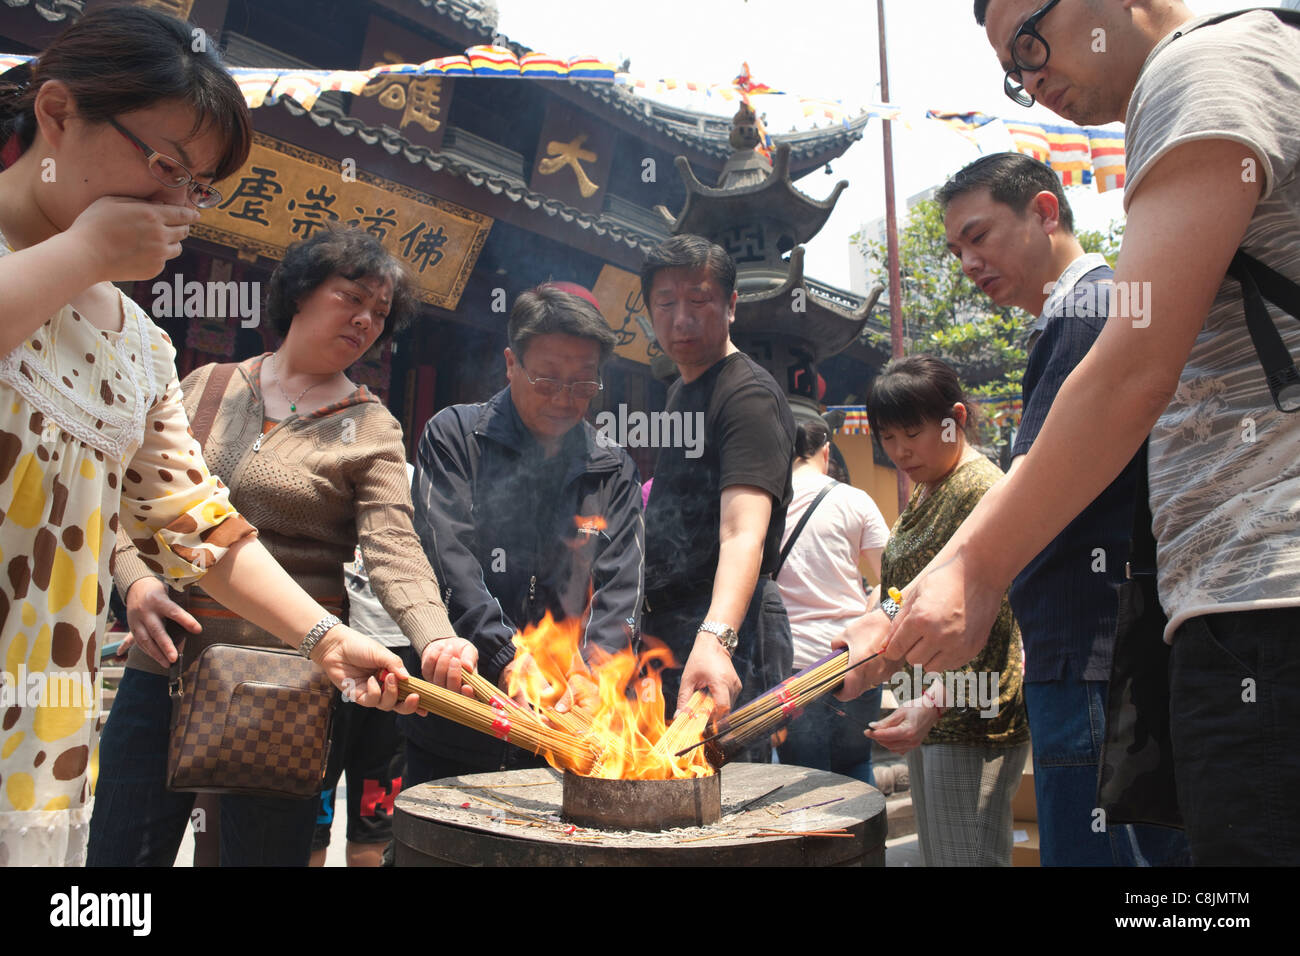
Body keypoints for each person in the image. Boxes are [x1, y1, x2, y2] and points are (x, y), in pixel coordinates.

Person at [851, 0, 1300, 866]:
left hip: (1265, 601)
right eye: (1010, 69)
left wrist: (972, 575)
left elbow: (1130, 374)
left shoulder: (1201, 69)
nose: (1029, 75)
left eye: (1030, 38)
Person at [0, 6, 415, 868]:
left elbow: (193, 523)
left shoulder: (140, 346)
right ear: (55, 114)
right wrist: (78, 254)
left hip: (42, 732)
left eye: (199, 186)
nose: (178, 204)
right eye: (165, 165)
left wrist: (324, 639)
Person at [88, 227, 466, 866]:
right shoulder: (206, 383)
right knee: (119, 862)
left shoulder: (373, 426)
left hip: (284, 681)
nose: (367, 320)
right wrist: (135, 582)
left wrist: (434, 638)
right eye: (352, 297)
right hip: (169, 663)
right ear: (299, 293)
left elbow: (394, 545)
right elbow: (131, 498)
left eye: (381, 313)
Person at [937, 152, 1187, 866]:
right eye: (957, 250)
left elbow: (1033, 489)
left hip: (1090, 649)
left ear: (1045, 211)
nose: (968, 263)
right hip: (1099, 649)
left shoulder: (1083, 312)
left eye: (979, 236)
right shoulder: (1090, 311)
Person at [399, 283, 645, 783]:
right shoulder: (456, 437)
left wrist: (595, 676)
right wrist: (508, 655)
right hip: (465, 704)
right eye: (548, 380)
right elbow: (448, 557)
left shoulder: (612, 467)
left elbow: (622, 586)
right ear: (511, 363)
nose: (564, 399)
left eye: (583, 384)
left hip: (563, 728)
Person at [852, 356, 1029, 866]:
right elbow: (902, 592)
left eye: (913, 432)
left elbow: (995, 614)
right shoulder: (929, 488)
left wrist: (935, 700)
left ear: (956, 417)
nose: (900, 450)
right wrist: (871, 627)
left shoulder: (980, 488)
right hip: (928, 708)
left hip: (967, 714)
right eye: (887, 437)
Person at [640, 234, 796, 749]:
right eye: (665, 303)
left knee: (719, 798)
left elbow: (741, 532)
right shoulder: (678, 390)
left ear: (731, 305)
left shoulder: (746, 394)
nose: (681, 319)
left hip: (725, 627)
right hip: (673, 627)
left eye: (699, 301)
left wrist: (716, 639)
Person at [774, 419, 889, 782]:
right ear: (826, 452)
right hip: (855, 659)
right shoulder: (855, 500)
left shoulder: (767, 502)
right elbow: (895, 577)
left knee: (802, 780)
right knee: (857, 767)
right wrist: (867, 624)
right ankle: (869, 840)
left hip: (793, 666)